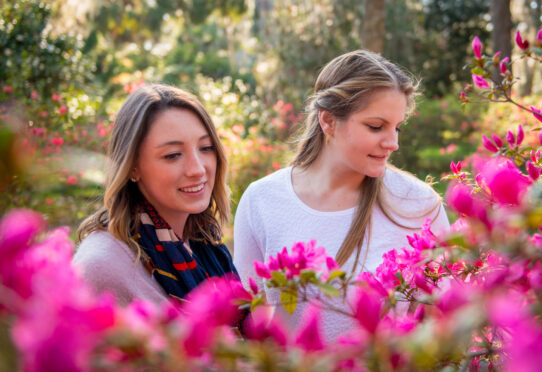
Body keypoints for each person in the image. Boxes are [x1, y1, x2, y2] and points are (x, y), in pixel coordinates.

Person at [233, 50, 449, 340]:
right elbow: (250, 324)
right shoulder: (262, 200)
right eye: (376, 126)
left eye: (397, 127)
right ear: (328, 121)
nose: (393, 143)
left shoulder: (418, 204)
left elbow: (446, 322)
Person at [73, 84, 239, 307]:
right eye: (172, 155)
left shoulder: (205, 243)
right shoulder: (103, 266)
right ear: (132, 167)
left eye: (206, 148)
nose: (198, 169)